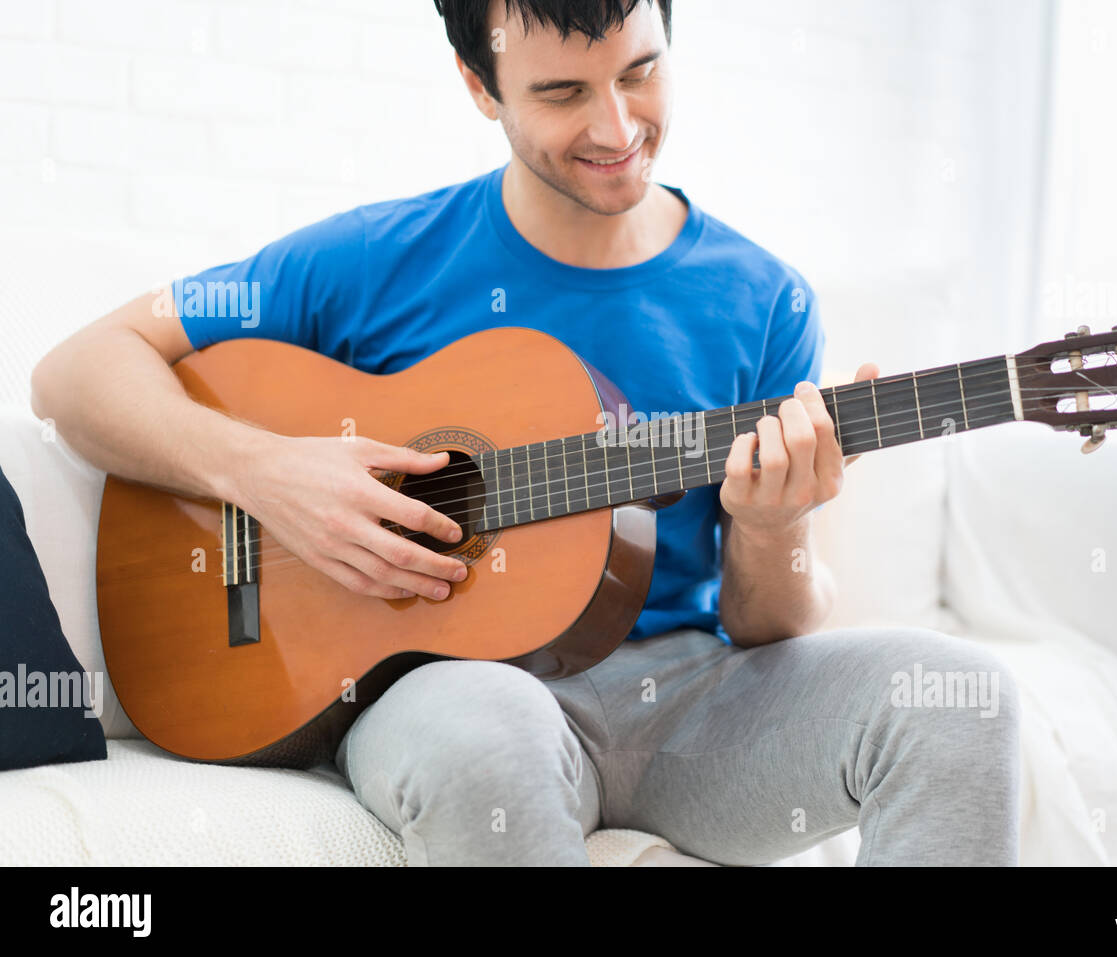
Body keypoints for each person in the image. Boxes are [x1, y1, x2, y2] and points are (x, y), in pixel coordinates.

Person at [31, 0, 1020, 866]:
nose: (616, 125)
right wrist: (270, 474)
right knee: (489, 727)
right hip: (455, 692)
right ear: (479, 83)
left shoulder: (763, 299)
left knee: (961, 697)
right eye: (560, 93)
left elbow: (768, 628)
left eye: (640, 72)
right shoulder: (376, 257)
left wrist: (772, 526)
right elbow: (76, 371)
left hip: (690, 693)